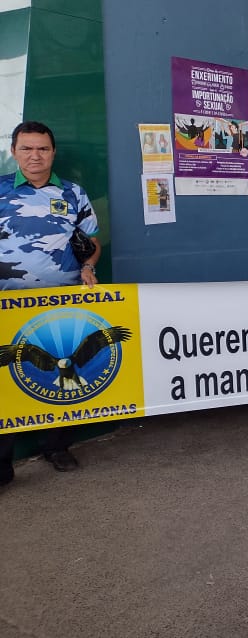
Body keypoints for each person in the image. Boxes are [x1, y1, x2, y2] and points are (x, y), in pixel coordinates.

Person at [0, 121, 101, 486]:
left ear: (53, 152)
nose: (35, 156)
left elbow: (92, 242)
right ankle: (2, 461)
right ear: (14, 152)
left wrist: (89, 265)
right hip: (8, 306)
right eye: (26, 148)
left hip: (61, 304)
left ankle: (56, 446)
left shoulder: (73, 193)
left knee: (64, 374)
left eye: (42, 148)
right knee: (6, 381)